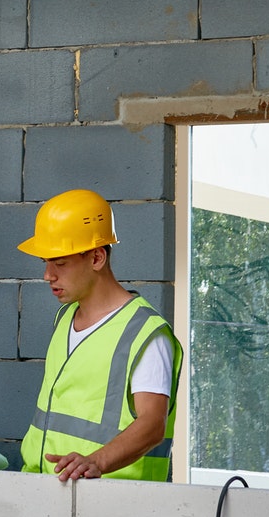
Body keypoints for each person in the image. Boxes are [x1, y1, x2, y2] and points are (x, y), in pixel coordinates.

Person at [18, 188, 180, 482]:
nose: (48, 275)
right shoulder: (64, 318)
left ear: (96, 258)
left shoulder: (145, 334)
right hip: (47, 493)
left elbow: (153, 424)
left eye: (60, 263)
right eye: (45, 262)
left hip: (112, 505)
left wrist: (96, 462)